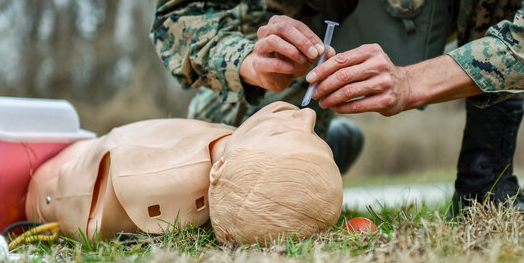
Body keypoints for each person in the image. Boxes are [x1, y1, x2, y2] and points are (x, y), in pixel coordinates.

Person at [150, 0, 524, 213]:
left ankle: (485, 180)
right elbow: (182, 17)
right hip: (281, 12)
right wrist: (248, 61)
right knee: (213, 188)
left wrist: (411, 82)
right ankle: (319, 150)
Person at [22, 102, 343, 244]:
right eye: (315, 136)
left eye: (280, 135)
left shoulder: (157, 178)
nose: (308, 116)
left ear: (221, 171)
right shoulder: (231, 155)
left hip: (44, 170)